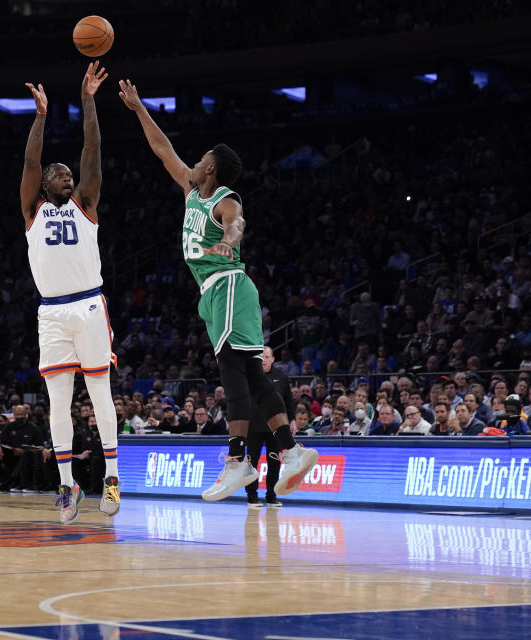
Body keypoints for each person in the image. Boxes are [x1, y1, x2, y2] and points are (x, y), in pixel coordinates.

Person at [118, 78, 317, 502]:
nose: (192, 161)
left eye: (201, 157)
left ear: (211, 167)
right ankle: (292, 452)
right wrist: (138, 108)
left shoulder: (224, 198)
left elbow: (237, 221)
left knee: (232, 372)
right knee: (248, 373)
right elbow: (161, 149)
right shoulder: (192, 191)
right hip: (216, 292)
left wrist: (230, 240)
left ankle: (237, 461)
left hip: (228, 285)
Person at [21, 62, 119, 522]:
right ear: (43, 185)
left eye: (68, 173)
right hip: (52, 313)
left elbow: (92, 147)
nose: (65, 176)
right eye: (58, 174)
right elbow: (30, 162)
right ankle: (67, 486)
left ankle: (113, 479)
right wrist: (41, 116)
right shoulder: (33, 210)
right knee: (58, 401)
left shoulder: (86, 203)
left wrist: (88, 99)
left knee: (99, 392)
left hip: (88, 304)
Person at [245, 347, 291, 508]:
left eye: (266, 357)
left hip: (275, 427)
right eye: (260, 357)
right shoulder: (250, 376)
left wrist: (290, 421)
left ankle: (271, 496)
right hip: (252, 427)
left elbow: (288, 401)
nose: (263, 360)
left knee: (274, 463)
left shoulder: (281, 377)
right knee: (252, 463)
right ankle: (252, 496)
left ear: (272, 359)